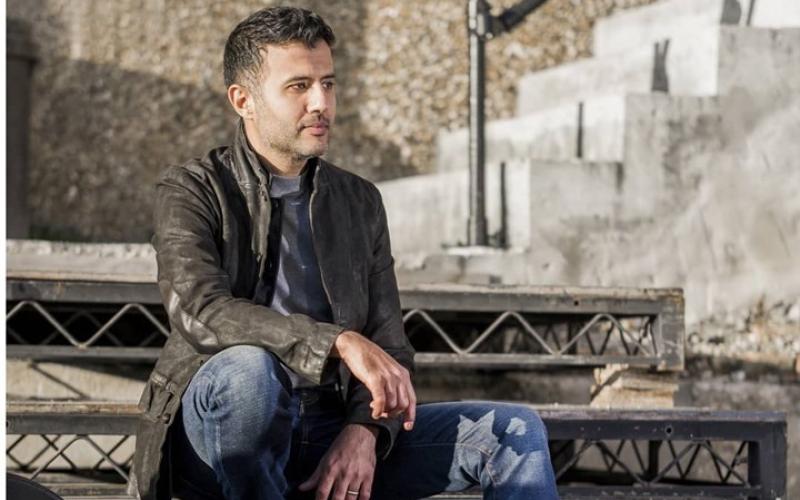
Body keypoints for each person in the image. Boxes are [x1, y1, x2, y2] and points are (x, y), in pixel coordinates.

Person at [131, 6, 558, 500]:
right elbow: (201, 311)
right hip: (220, 432)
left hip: (328, 425)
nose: (321, 103)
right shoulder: (192, 189)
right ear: (243, 100)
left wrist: (365, 431)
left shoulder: (359, 200)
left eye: (328, 84)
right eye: (299, 86)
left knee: (513, 430)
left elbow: (389, 343)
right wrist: (337, 342)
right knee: (250, 373)